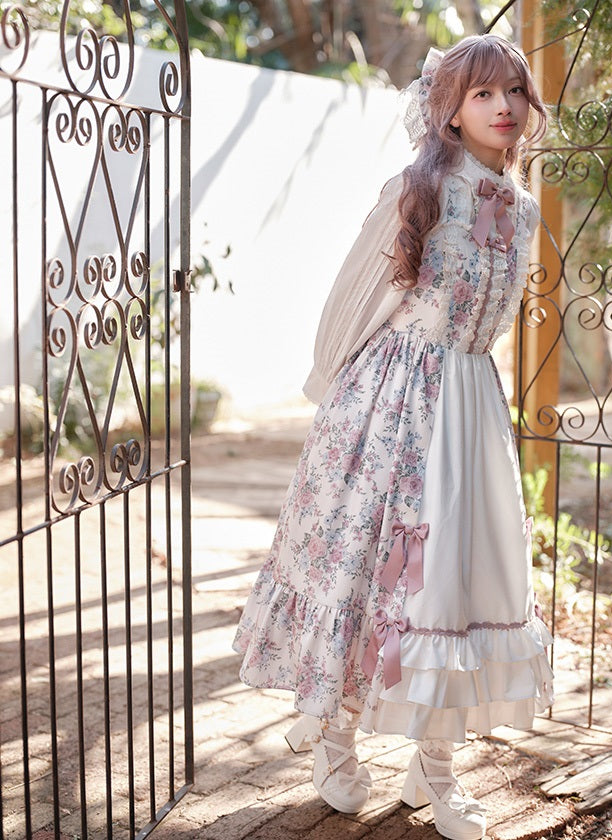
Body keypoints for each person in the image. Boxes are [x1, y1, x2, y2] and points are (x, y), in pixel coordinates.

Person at [233, 33, 554, 840]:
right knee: (368, 571)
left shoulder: (521, 207)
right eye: (483, 93)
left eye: (514, 91)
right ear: (450, 109)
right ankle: (335, 737)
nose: (504, 107)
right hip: (391, 401)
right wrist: (334, 396)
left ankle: (435, 765)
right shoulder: (419, 189)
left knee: (458, 583)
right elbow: (355, 295)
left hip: (471, 403)